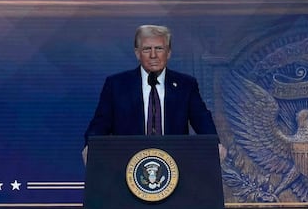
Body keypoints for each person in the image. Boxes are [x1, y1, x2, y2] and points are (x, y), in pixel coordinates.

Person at [83, 25, 218, 159]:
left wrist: (215, 144)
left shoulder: (186, 85)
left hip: (174, 163)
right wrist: (91, 146)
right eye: (147, 49)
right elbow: (100, 124)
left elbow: (202, 120)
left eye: (159, 48)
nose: (153, 55)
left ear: (169, 52)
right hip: (127, 163)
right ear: (137, 53)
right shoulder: (117, 85)